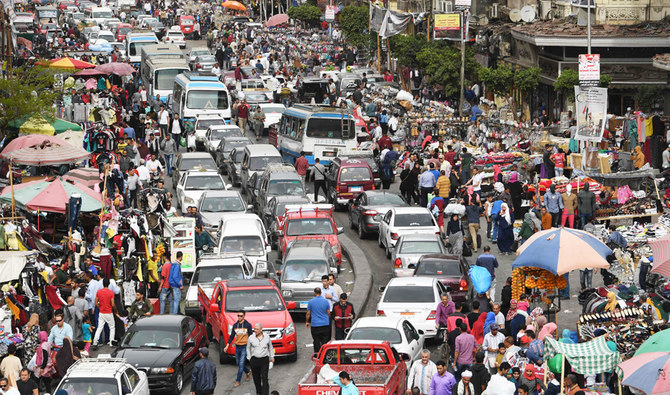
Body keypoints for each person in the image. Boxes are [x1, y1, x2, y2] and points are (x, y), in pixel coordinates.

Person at [224, 311, 253, 387]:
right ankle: (248, 371)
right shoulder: (235, 325)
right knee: (238, 362)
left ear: (244, 316)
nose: (239, 317)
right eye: (238, 316)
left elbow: (251, 336)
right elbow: (231, 336)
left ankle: (238, 380)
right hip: (237, 346)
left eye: (241, 316)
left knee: (241, 364)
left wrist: (252, 346)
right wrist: (227, 346)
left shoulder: (248, 325)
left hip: (244, 346)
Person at [246, 323, 274, 395]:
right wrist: (249, 358)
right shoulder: (251, 338)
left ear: (261, 330)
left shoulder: (267, 337)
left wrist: (272, 357)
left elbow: (270, 347)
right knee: (256, 378)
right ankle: (259, 392)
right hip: (254, 360)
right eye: (255, 329)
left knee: (264, 378)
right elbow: (248, 348)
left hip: (264, 360)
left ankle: (265, 393)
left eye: (257, 329)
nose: (255, 330)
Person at [306, 287, 330, 354]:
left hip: (315, 325)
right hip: (325, 324)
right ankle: (325, 354)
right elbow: (328, 312)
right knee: (324, 340)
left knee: (316, 340)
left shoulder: (311, 302)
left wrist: (307, 321)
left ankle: (317, 354)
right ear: (321, 293)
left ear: (314, 293)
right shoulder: (326, 301)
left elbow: (308, 313)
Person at [92, 278, 115, 349]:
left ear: (103, 284)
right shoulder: (111, 293)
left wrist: (100, 307)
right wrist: (115, 310)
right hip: (109, 312)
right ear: (108, 284)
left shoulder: (99, 292)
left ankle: (95, 342)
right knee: (112, 327)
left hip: (101, 312)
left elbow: (96, 302)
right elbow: (113, 304)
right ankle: (111, 342)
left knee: (99, 328)